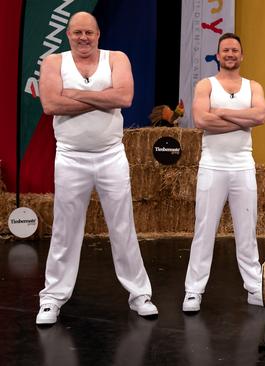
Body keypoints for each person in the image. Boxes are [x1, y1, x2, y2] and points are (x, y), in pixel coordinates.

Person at [36, 12, 158, 325]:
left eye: (89, 32)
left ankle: (140, 295)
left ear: (98, 33)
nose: (83, 38)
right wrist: (103, 98)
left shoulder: (117, 58)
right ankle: (51, 298)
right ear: (68, 35)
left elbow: (125, 97)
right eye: (77, 32)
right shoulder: (53, 63)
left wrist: (74, 94)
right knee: (65, 230)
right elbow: (51, 104)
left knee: (123, 227)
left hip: (111, 155)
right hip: (71, 157)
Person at [182, 33, 265, 312]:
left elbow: (261, 116)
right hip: (213, 165)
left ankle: (255, 287)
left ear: (242, 56)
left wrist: (222, 114)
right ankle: (193, 291)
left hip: (242, 166)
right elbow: (201, 120)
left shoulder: (253, 86)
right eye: (225, 50)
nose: (230, 54)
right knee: (204, 230)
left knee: (247, 231)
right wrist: (242, 120)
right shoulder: (206, 85)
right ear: (218, 56)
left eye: (235, 50)